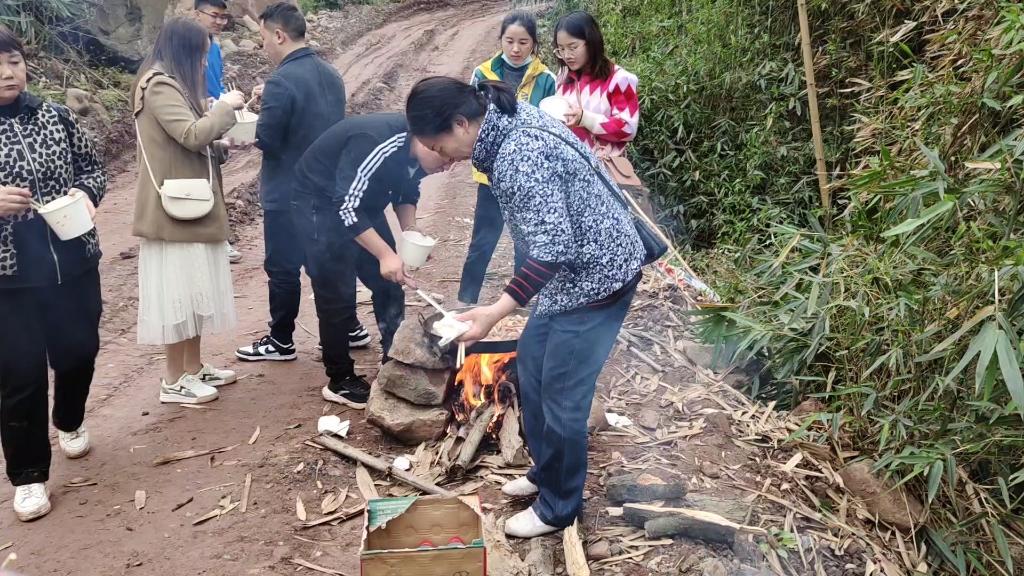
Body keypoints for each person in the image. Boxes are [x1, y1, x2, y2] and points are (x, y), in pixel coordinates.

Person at [406, 77, 644, 538]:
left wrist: (493, 311)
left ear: (461, 123)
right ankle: (545, 472)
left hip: (599, 276)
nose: (447, 158)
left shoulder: (516, 154)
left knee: (562, 396)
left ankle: (559, 507)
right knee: (532, 366)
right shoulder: (501, 117)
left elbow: (552, 247)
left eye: (442, 145)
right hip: (571, 274)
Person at [0, 24, 107, 521]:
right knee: (19, 376)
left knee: (79, 351)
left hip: (74, 260)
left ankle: (69, 418)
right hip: (11, 277)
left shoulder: (54, 115)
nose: (7, 72)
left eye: (14, 61)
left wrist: (87, 194)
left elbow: (93, 168)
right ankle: (27, 476)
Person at [234, 3, 371, 363]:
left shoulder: (280, 81)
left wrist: (254, 122)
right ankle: (350, 326)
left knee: (283, 266)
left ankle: (280, 339)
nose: (263, 45)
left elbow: (268, 139)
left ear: (279, 35)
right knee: (325, 260)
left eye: (264, 38)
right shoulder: (331, 74)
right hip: (326, 187)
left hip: (287, 191)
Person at [292, 113, 451, 407]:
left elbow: (407, 189)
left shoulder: (420, 150)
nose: (447, 163)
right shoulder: (377, 141)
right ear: (428, 140)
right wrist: (384, 253)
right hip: (320, 206)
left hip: (360, 205)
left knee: (390, 284)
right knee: (337, 296)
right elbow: (345, 205)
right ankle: (339, 379)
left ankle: (393, 356)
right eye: (445, 155)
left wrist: (411, 230)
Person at [132, 17, 247, 405]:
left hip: (190, 203)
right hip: (174, 208)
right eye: (201, 55)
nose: (204, 64)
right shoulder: (159, 84)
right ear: (184, 50)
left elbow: (191, 140)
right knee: (178, 295)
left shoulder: (173, 82)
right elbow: (192, 135)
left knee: (195, 291)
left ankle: (193, 367)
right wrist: (225, 109)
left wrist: (220, 140)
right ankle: (172, 379)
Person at [458, 11, 556, 307]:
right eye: (509, 41)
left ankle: (520, 307)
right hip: (490, 176)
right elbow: (469, 121)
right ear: (500, 39)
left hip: (529, 178)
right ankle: (464, 303)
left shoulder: (546, 79)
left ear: (534, 44)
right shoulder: (482, 73)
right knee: (482, 242)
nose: (515, 49)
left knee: (524, 244)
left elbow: (551, 125)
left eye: (523, 42)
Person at [193, 0, 244, 264]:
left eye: (223, 18)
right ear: (196, 15)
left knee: (214, 177)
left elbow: (215, 84)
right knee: (203, 179)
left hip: (215, 115)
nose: (219, 22)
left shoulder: (213, 47)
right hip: (199, 118)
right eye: (214, 15)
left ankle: (216, 238)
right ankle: (211, 240)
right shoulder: (189, 47)